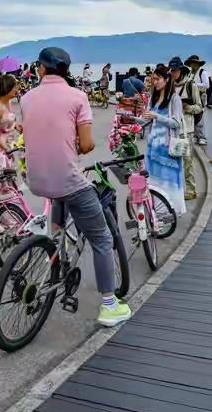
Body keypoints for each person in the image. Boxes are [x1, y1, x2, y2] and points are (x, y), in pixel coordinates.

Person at [22, 47, 132, 327]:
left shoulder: (26, 98)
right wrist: (79, 146)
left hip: (36, 180)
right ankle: (109, 305)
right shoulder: (77, 96)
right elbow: (85, 144)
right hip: (68, 179)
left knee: (60, 197)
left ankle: (54, 251)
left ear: (42, 69)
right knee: (102, 238)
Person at [144, 64, 187, 213]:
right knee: (154, 181)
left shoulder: (175, 99)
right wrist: (129, 120)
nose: (154, 82)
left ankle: (170, 211)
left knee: (168, 182)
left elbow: (176, 123)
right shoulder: (153, 98)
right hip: (153, 147)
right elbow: (147, 120)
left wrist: (156, 116)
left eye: (157, 79)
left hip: (167, 148)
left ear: (166, 79)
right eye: (153, 79)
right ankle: (157, 212)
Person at [171, 56, 199, 200]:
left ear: (180, 70)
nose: (173, 73)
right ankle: (178, 187)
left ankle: (191, 189)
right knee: (175, 161)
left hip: (186, 129)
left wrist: (188, 108)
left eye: (175, 70)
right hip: (174, 130)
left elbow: (200, 107)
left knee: (187, 161)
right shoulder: (170, 86)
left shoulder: (191, 85)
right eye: (171, 70)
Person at [186, 55, 208, 145]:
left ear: (198, 64)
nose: (192, 65)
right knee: (194, 117)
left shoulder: (202, 72)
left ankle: (202, 137)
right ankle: (196, 135)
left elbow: (206, 85)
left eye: (194, 63)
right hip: (193, 97)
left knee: (200, 116)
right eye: (191, 64)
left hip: (201, 96)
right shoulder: (190, 73)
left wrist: (194, 85)